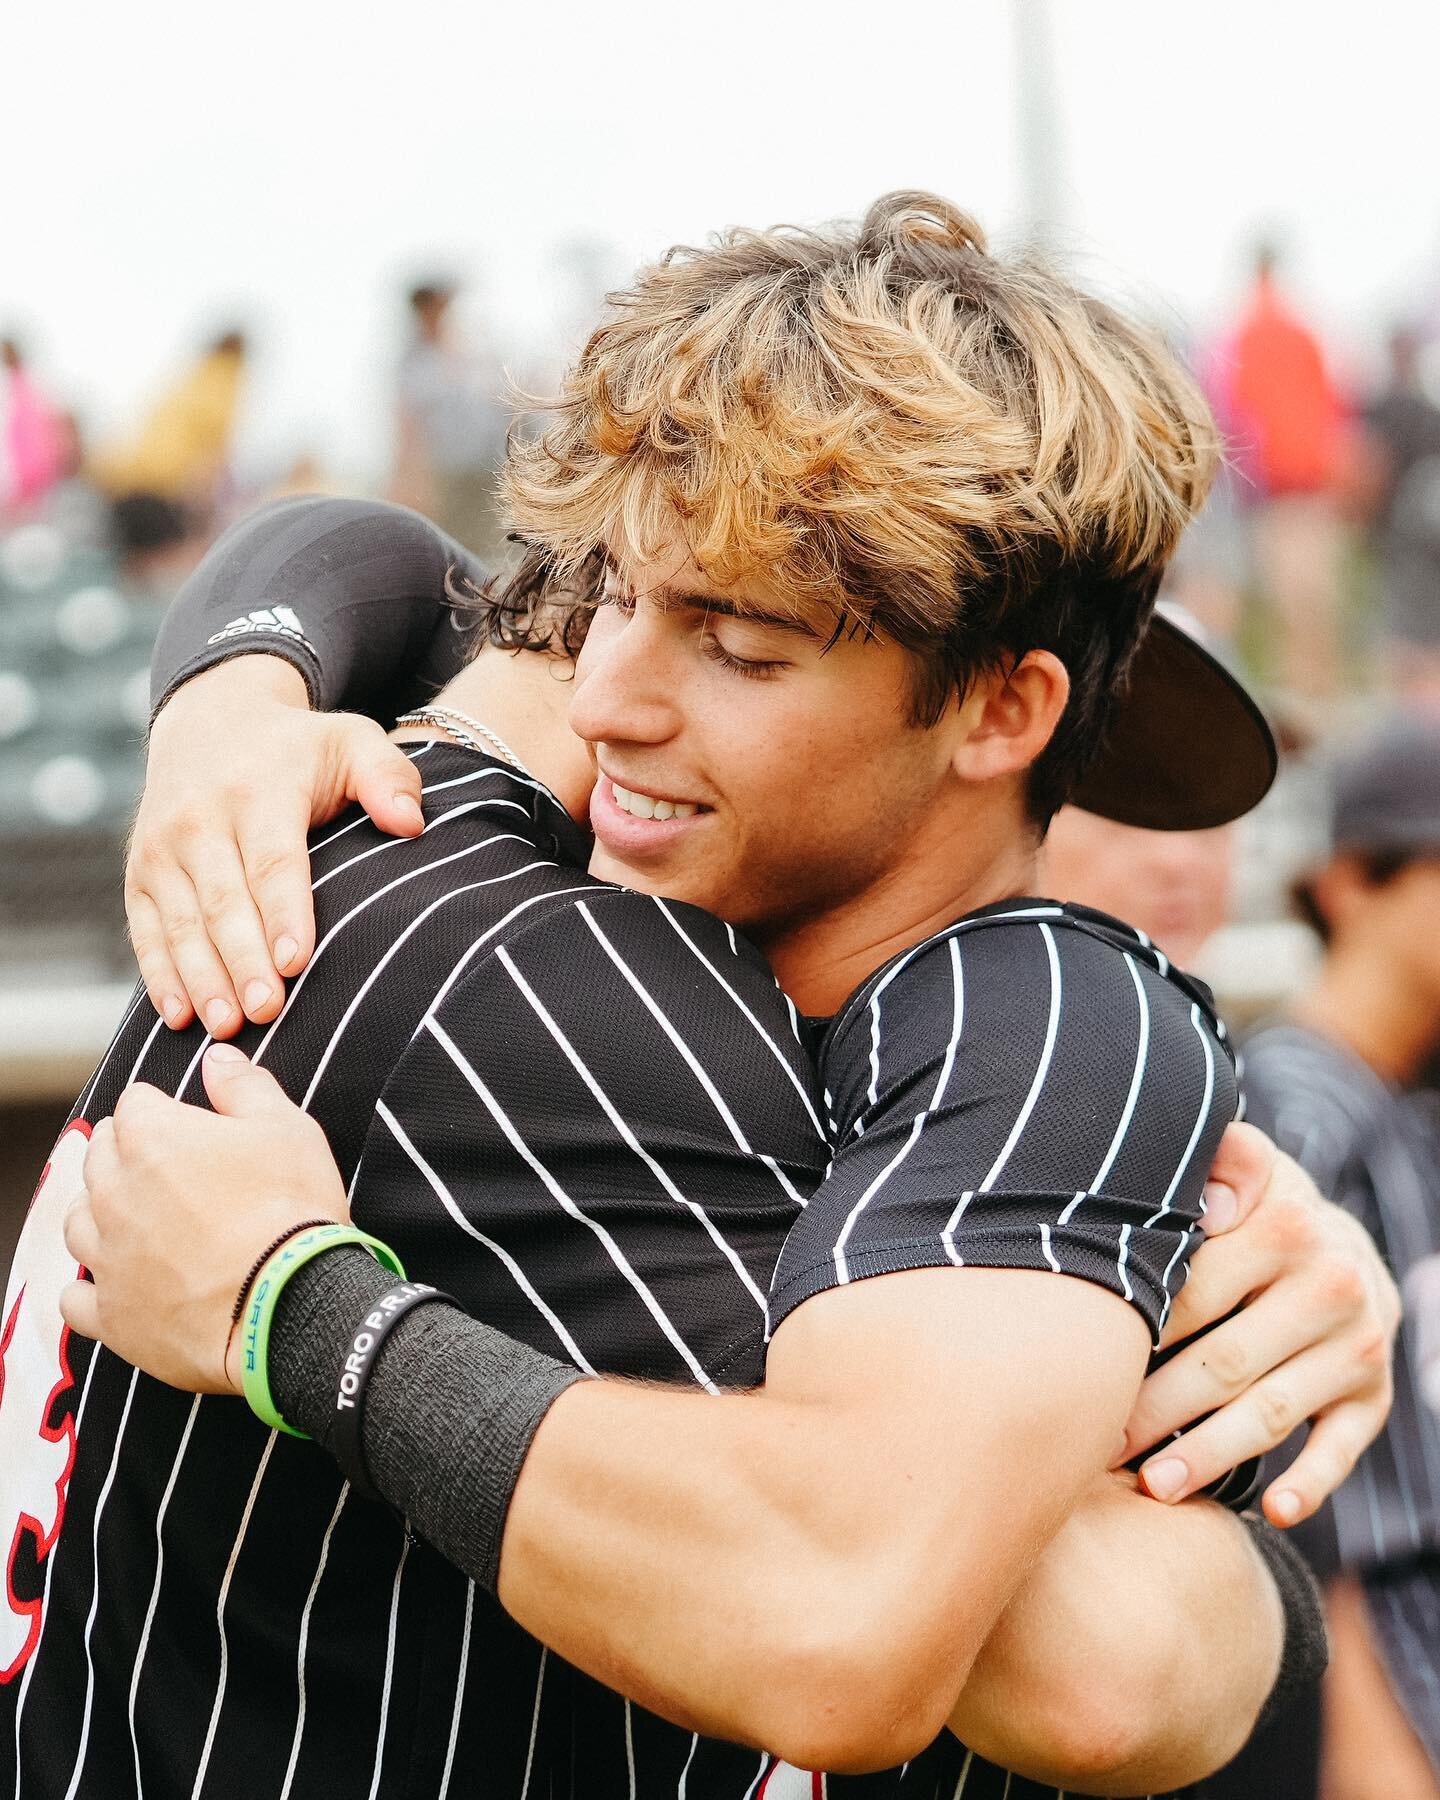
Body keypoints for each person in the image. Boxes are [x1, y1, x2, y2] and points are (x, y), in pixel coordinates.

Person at [5, 195, 1388, 1798]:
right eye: (617, 594)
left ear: (1005, 715)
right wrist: (300, 1312)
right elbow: (957, 1633)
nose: (602, 690)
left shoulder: (1001, 1024)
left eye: (738, 644)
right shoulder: (559, 961)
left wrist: (299, 1307)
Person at [1241, 719, 1440, 1799]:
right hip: (1367, 1708)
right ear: (1352, 885)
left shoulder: (1402, 1106)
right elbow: (1311, 1506)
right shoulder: (1289, 1113)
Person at [1214, 242, 1347, 700]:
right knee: (1313, 607)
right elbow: (1332, 409)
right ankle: (1316, 702)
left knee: (1288, 609)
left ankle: (1301, 706)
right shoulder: (1299, 329)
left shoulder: (1246, 332)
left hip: (1276, 493)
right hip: (1309, 489)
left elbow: (1235, 414)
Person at [390, 280, 509, 557]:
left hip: (485, 462)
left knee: (490, 541)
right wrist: (412, 476)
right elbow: (408, 422)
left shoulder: (466, 349)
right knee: (457, 543)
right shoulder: (413, 360)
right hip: (444, 469)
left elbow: (495, 401)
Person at [1352, 327, 1440, 702]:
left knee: (1409, 625)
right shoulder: (1417, 403)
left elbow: (1370, 465)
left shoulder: (1386, 403)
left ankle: (1415, 710)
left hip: (1407, 520)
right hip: (1413, 517)